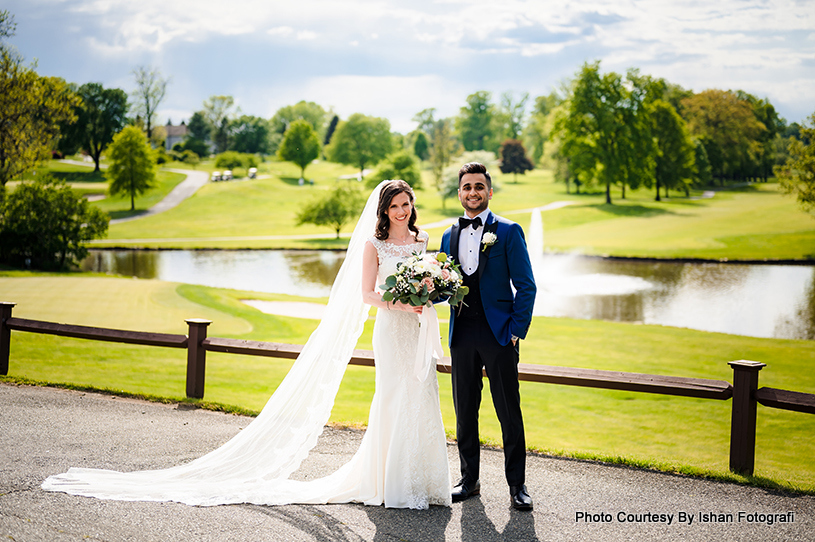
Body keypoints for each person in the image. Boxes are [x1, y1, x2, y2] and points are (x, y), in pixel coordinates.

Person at [42, 180, 451, 509]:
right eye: (394, 205)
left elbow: (424, 279)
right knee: (394, 397)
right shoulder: (372, 245)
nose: (401, 211)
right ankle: (394, 485)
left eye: (406, 205)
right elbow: (367, 295)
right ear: (383, 210)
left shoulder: (421, 239)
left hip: (415, 330)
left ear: (412, 207)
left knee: (423, 393)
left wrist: (427, 295)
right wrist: (401, 302)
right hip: (391, 327)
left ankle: (426, 483)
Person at [440, 162, 537, 511]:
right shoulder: (448, 235)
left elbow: (526, 287)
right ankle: (469, 480)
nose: (473, 193)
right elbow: (443, 287)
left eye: (479, 186)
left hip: (499, 336)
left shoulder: (509, 232)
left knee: (508, 412)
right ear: (460, 193)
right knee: (465, 411)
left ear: (489, 191)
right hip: (462, 334)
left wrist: (514, 332)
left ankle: (517, 486)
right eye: (467, 187)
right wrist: (417, 287)